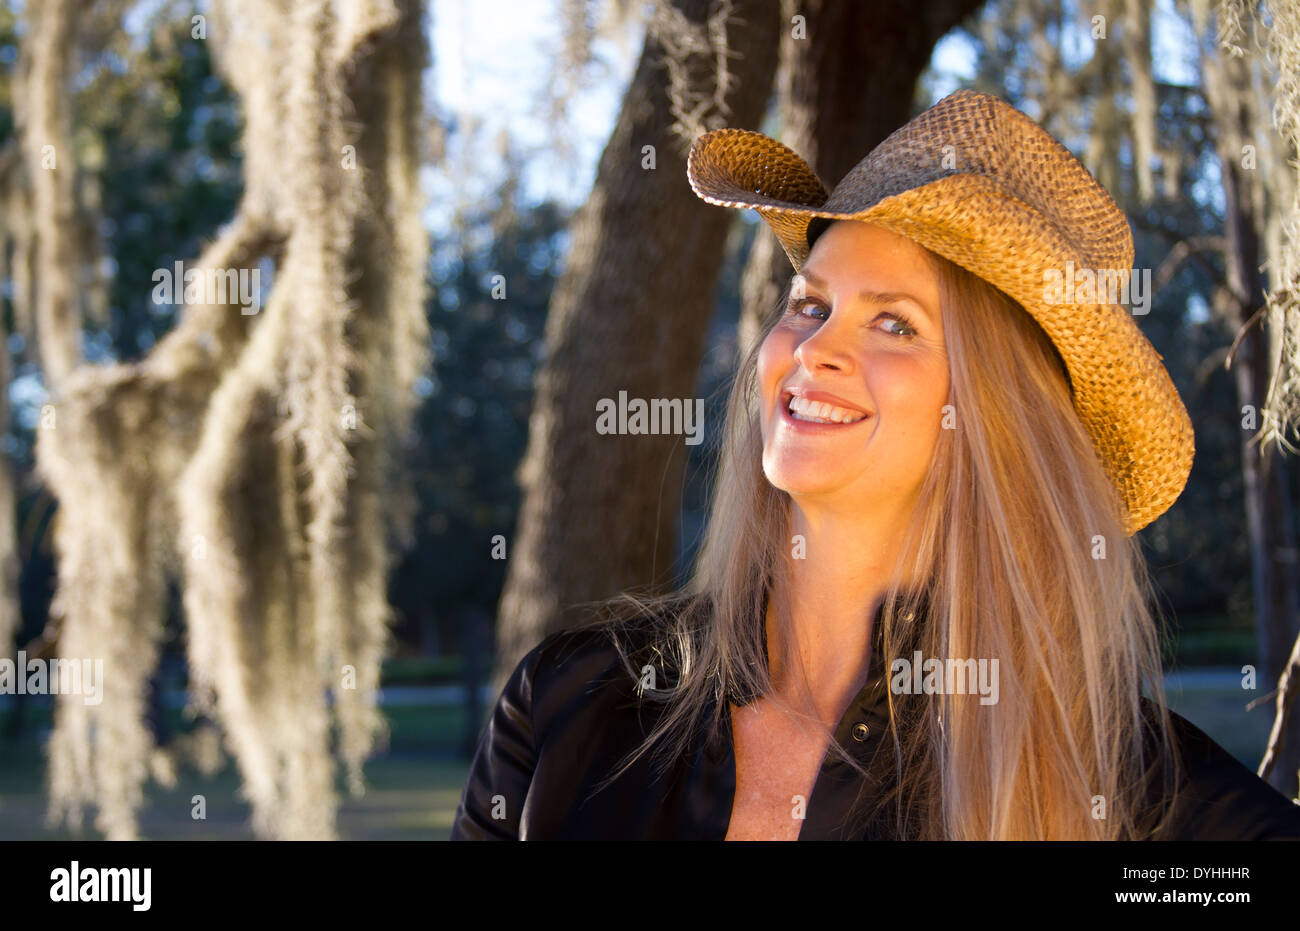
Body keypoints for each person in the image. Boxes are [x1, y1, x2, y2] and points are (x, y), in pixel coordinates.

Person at [450, 89, 1300, 840]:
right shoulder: (570, 700)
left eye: (894, 323)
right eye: (810, 304)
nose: (814, 348)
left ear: (996, 419)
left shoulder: (1136, 790)